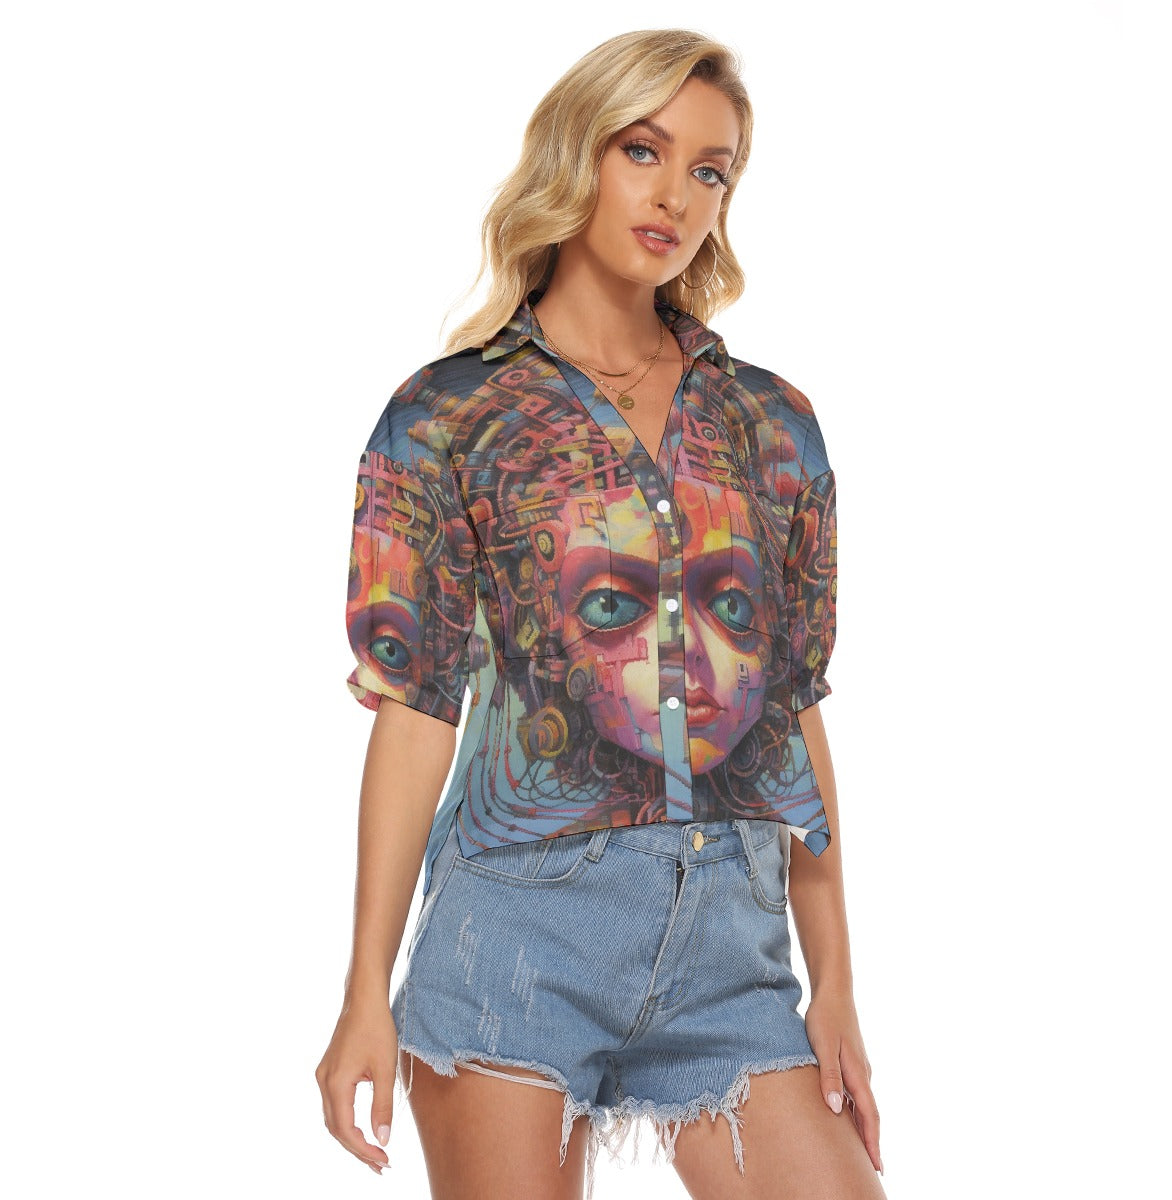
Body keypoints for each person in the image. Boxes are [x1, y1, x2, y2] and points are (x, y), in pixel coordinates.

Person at [316, 28, 887, 1200]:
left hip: (733, 958)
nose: (676, 194)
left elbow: (791, 712)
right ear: (577, 153)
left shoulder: (771, 425)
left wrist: (835, 984)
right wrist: (364, 990)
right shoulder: (448, 419)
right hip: (517, 938)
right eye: (644, 150)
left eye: (710, 169)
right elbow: (416, 710)